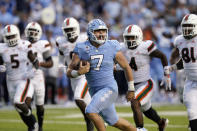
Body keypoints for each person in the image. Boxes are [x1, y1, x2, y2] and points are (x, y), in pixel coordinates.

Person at [67, 19, 145, 131]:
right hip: (94, 90)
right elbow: (69, 71)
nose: (102, 34)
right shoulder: (81, 48)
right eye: (98, 31)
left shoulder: (111, 45)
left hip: (109, 88)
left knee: (90, 110)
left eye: (103, 31)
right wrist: (78, 72)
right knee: (114, 121)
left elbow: (126, 67)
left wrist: (131, 89)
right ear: (90, 32)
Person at [122, 24, 170, 131]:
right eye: (128, 37)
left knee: (135, 102)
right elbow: (126, 66)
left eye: (132, 37)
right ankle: (161, 122)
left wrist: (166, 73)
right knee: (146, 109)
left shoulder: (145, 46)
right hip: (133, 85)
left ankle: (140, 129)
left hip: (146, 83)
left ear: (139, 36)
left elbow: (162, 56)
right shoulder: (122, 48)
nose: (130, 40)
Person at [56, 17, 94, 131]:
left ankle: (92, 120)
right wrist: (61, 67)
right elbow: (61, 56)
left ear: (77, 28)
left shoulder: (84, 38)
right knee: (87, 105)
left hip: (85, 75)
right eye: (67, 30)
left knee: (78, 98)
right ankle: (93, 120)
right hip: (73, 76)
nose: (69, 32)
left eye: (71, 29)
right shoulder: (60, 41)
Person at [0, 24, 39, 131]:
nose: (11, 39)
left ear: (17, 35)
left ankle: (32, 119)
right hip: (10, 80)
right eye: (8, 37)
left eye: (12, 36)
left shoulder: (25, 45)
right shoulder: (2, 48)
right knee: (18, 108)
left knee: (19, 102)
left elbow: (35, 61)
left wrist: (34, 71)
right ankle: (32, 127)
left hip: (23, 79)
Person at [167, 14, 197, 131]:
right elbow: (185, 59)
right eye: (185, 26)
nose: (187, 29)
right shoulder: (179, 40)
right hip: (190, 81)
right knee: (191, 112)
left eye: (190, 26)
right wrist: (172, 67)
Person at [25, 22, 53, 131]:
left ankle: (40, 127)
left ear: (38, 33)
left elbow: (50, 63)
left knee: (39, 105)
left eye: (34, 32)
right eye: (30, 31)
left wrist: (39, 63)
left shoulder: (43, 44)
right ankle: (32, 125)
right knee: (26, 102)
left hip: (38, 77)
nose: (32, 34)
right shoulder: (22, 44)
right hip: (26, 77)